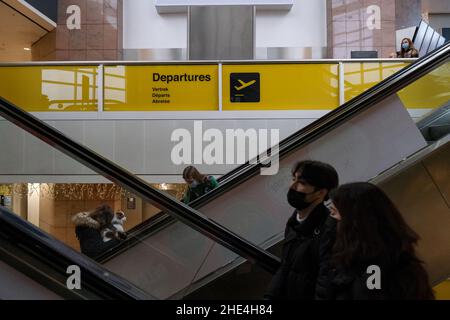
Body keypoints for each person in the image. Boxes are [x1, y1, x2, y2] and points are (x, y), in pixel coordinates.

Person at [325, 182, 435, 300]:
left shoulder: (375, 268)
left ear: (354, 221)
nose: (333, 221)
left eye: (336, 213)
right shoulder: (397, 256)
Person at [265, 160, 339, 300]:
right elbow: (285, 267)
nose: (292, 186)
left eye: (302, 183)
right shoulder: (294, 222)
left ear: (321, 193)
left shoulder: (329, 228)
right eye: (294, 179)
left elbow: (326, 281)